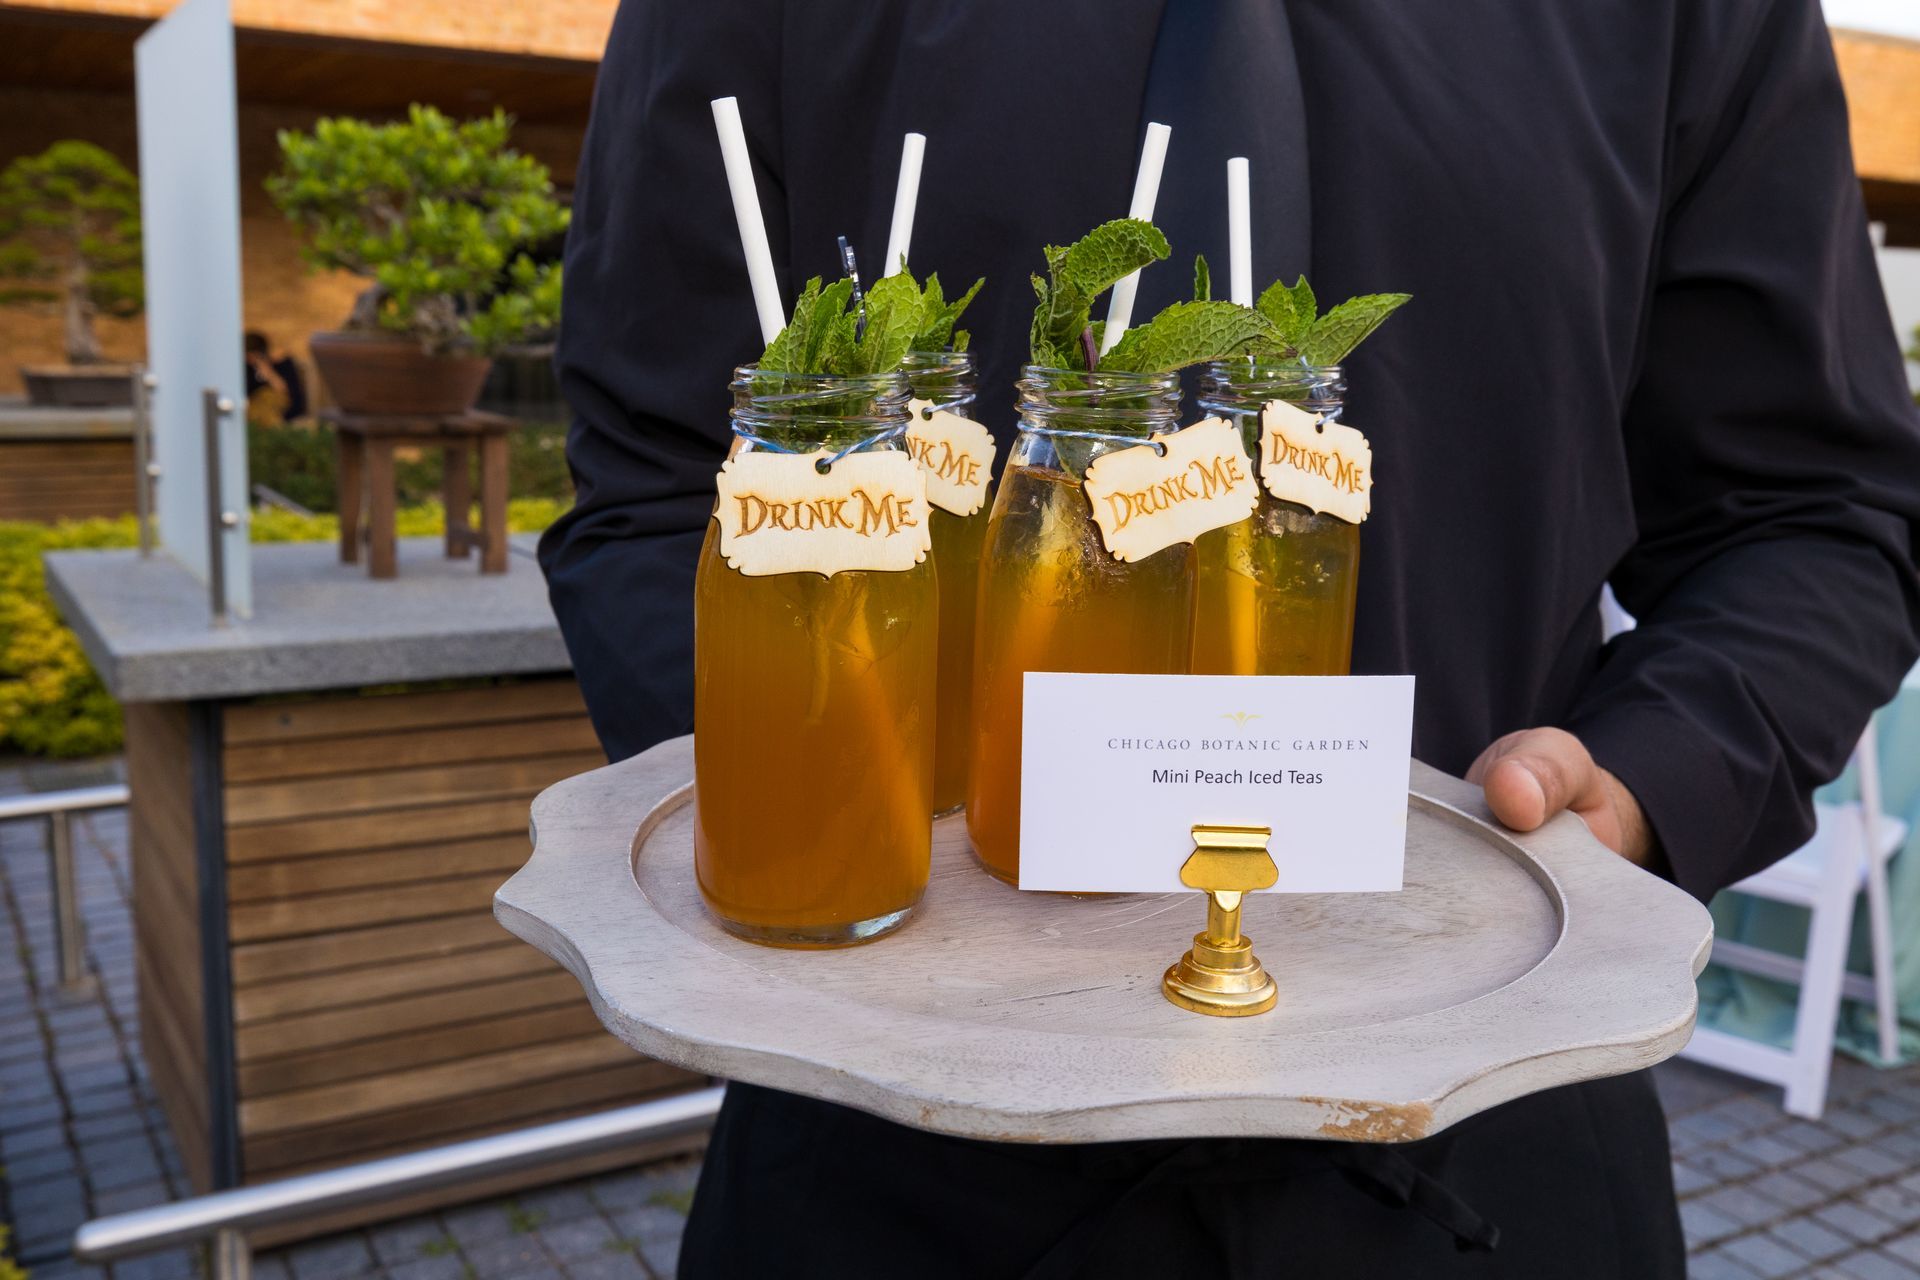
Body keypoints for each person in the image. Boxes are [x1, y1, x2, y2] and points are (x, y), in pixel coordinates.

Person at [538, 1, 1920, 1275]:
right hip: (889, 1153)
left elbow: (1815, 509)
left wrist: (1644, 783)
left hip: (1493, 1150)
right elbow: (654, 483)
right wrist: (804, 808)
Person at [244, 329, 309, 424]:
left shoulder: (283, 364)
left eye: (251, 356)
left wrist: (267, 371)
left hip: (282, 410)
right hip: (255, 410)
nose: (249, 360)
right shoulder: (246, 369)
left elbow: (288, 392)